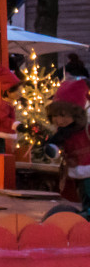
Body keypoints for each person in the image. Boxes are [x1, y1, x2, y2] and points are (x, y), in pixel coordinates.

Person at [43, 78, 90, 214]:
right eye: (55, 116)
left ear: (76, 115)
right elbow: (57, 145)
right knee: (82, 194)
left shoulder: (85, 129)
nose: (59, 120)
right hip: (76, 169)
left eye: (64, 116)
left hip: (87, 167)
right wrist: (53, 150)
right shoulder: (63, 132)